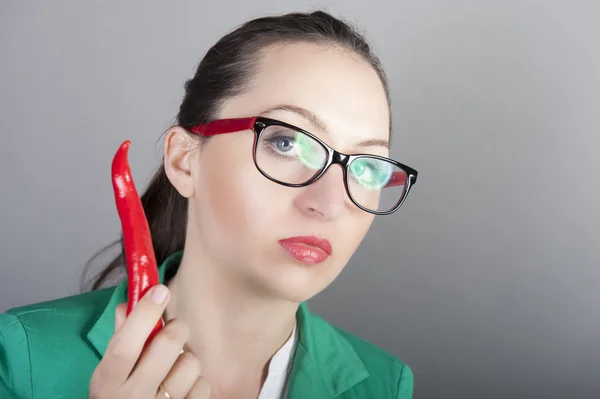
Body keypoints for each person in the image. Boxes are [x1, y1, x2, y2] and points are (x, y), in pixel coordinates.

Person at [0, 10, 418, 399]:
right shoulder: (21, 356)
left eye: (367, 169)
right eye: (287, 143)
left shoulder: (385, 383)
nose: (329, 202)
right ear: (184, 162)